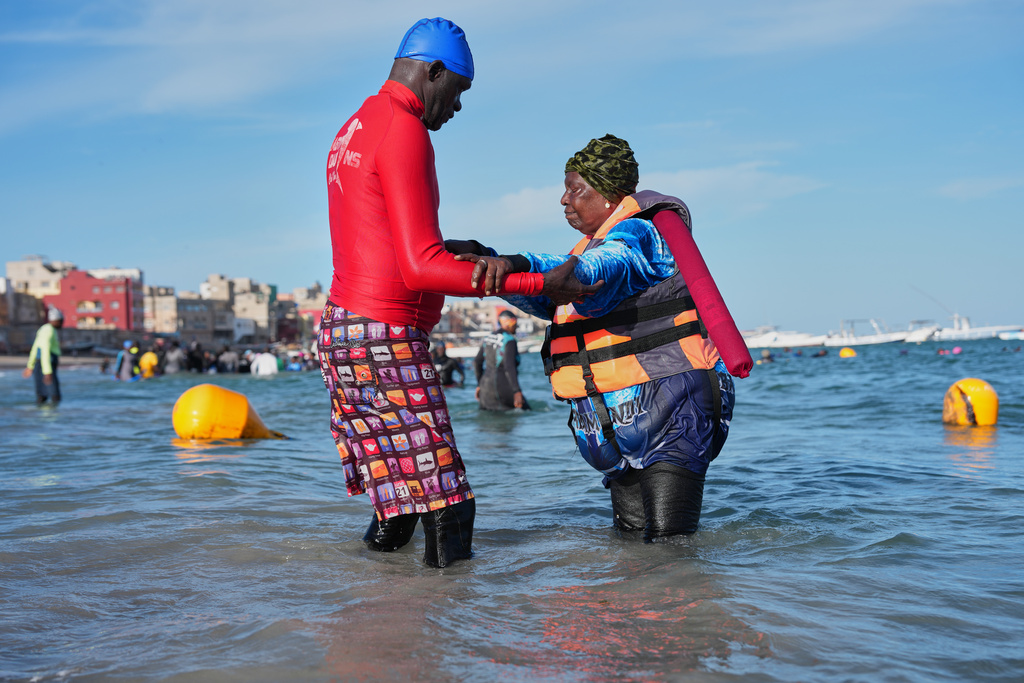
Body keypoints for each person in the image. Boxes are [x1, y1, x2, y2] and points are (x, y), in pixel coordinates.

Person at [317, 17, 597, 568]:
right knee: (450, 505)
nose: (458, 107)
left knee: (398, 506)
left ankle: (367, 611)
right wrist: (542, 282)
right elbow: (420, 269)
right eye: (459, 92)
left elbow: (379, 240)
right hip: (384, 336)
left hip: (344, 331)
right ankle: (443, 641)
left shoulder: (355, 125)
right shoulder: (403, 128)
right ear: (434, 72)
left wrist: (454, 247)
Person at [455, 135, 753, 541]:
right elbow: (553, 299)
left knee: (669, 549)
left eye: (575, 189)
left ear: (610, 194)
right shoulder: (585, 249)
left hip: (672, 408)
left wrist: (528, 265)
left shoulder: (641, 235)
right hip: (613, 420)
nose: (564, 200)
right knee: (630, 548)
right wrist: (486, 258)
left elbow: (603, 267)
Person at [474, 310, 529, 411]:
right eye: (515, 324)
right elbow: (509, 367)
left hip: (485, 389)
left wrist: (479, 384)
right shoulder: (509, 340)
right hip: (503, 387)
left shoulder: (488, 338)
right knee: (526, 411)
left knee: (488, 422)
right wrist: (517, 391)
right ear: (509, 323)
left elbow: (477, 362)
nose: (516, 327)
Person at [22, 307, 64, 405]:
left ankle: (41, 416)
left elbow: (35, 348)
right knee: (55, 395)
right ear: (57, 320)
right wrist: (48, 372)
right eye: (61, 321)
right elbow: (45, 351)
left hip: (40, 363)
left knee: (41, 396)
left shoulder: (43, 329)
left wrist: (30, 365)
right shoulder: (49, 330)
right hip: (46, 364)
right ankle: (53, 417)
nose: (62, 324)